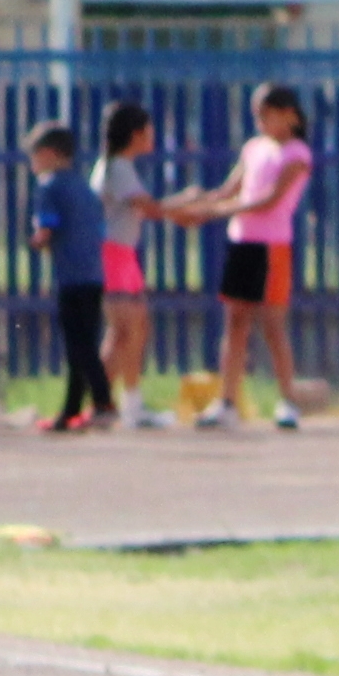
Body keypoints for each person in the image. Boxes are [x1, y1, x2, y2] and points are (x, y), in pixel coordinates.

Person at [165, 84, 312, 429]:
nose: (260, 121)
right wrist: (195, 204)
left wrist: (211, 213)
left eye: (267, 113)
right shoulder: (253, 149)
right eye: (257, 114)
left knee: (273, 326)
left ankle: (288, 401)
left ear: (289, 114)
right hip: (242, 243)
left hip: (272, 246)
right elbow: (229, 191)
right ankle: (227, 402)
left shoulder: (297, 154)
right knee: (236, 323)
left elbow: (267, 201)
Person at [26, 120, 113, 431]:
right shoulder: (85, 188)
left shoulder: (49, 186)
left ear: (48, 154)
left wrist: (35, 241)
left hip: (70, 276)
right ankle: (71, 410)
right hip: (93, 273)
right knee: (85, 340)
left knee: (79, 345)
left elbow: (46, 229)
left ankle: (103, 401)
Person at [93, 99, 163, 426]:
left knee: (135, 329)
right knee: (123, 332)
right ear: (136, 133)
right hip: (112, 254)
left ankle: (131, 404)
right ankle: (100, 402)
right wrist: (193, 206)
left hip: (123, 253)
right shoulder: (117, 167)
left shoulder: (119, 166)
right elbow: (147, 206)